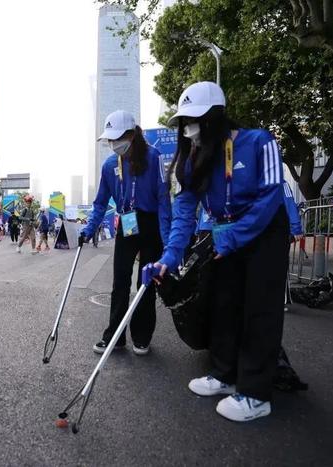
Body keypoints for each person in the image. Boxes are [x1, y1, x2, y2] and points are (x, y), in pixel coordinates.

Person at [155, 81, 289, 422]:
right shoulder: (195, 160)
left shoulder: (260, 141)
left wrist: (232, 237)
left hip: (264, 234)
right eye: (184, 123)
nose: (188, 130)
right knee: (224, 304)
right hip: (223, 234)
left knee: (260, 310)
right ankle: (225, 374)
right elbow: (184, 211)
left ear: (216, 117)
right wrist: (170, 257)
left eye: (193, 121)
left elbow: (271, 197)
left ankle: (257, 394)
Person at [81, 109, 171, 356]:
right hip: (127, 224)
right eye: (110, 139)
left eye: (117, 138)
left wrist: (168, 240)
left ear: (131, 134)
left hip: (150, 223)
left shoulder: (154, 157)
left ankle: (142, 336)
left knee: (146, 282)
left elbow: (164, 200)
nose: (114, 144)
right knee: (119, 281)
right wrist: (89, 229)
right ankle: (115, 337)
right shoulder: (109, 165)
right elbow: (100, 203)